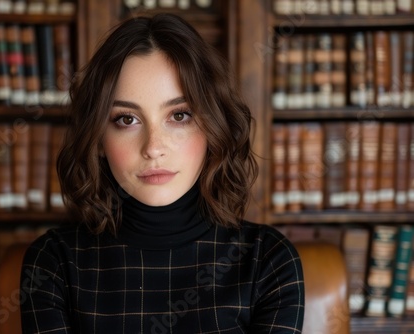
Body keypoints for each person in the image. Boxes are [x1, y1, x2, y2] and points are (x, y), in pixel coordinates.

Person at [20, 13, 304, 334]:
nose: (153, 148)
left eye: (179, 115)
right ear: (99, 139)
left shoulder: (269, 262)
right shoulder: (53, 264)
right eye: (127, 120)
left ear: (212, 128)